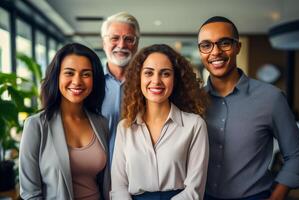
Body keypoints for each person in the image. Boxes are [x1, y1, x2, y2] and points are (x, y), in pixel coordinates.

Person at [198, 16, 299, 200]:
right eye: (206, 45)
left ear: (237, 47)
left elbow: (297, 155)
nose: (215, 52)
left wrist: (277, 197)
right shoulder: (194, 101)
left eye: (224, 43)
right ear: (200, 51)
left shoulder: (271, 98)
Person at [110, 44, 209, 200]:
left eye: (165, 74)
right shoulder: (125, 127)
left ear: (175, 80)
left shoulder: (194, 125)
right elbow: (118, 187)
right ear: (139, 78)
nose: (156, 81)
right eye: (148, 73)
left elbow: (194, 190)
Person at [19, 43, 110, 200]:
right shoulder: (36, 125)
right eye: (69, 73)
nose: (77, 81)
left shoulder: (100, 123)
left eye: (86, 74)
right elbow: (30, 193)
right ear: (57, 76)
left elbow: (105, 182)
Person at [100, 12, 140, 161]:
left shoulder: (148, 86)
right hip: (96, 176)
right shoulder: (90, 84)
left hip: (137, 175)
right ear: (104, 44)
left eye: (129, 39)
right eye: (114, 38)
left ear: (136, 44)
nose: (121, 45)